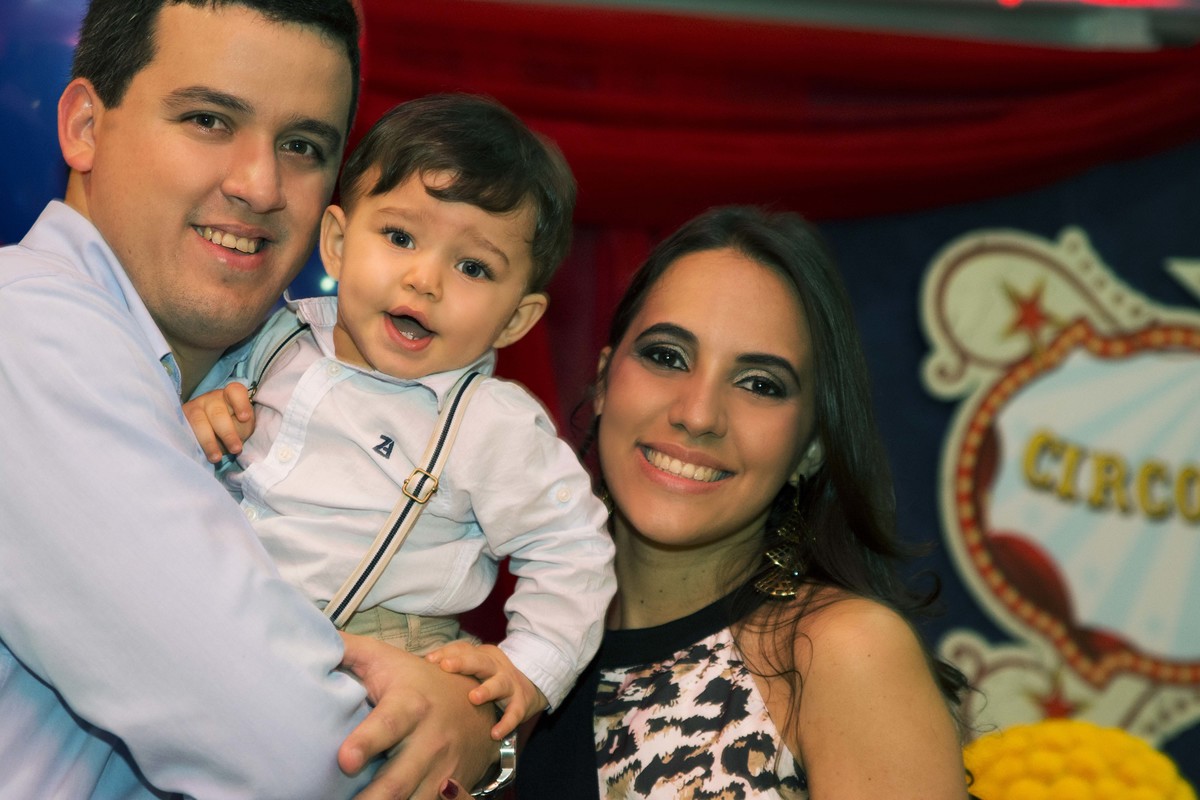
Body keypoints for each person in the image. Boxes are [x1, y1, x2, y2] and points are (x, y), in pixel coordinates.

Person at [0, 2, 497, 798]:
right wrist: (454, 733)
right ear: (86, 127)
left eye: (302, 146)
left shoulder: (279, 389)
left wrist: (457, 722)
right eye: (208, 120)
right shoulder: (26, 330)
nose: (261, 186)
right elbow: (297, 758)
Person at [184, 93, 616, 741]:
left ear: (516, 319)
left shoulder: (491, 424)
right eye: (400, 237)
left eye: (472, 267)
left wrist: (531, 665)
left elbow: (572, 548)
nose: (425, 279)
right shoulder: (270, 341)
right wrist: (199, 420)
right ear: (337, 243)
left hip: (374, 672)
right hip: (217, 634)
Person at [515, 206, 974, 799]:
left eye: (759, 384)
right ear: (604, 381)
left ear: (811, 446)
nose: (698, 414)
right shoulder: (533, 647)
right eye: (666, 356)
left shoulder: (839, 652)